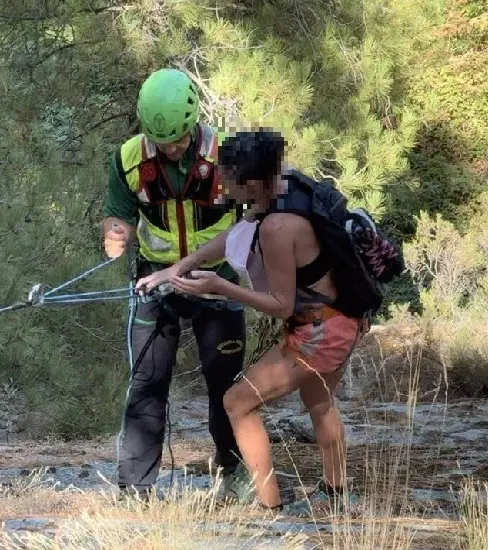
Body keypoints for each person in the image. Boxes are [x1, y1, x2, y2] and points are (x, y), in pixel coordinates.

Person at [136, 129, 367, 514]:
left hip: (320, 332)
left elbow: (279, 304)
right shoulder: (285, 183)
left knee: (237, 403)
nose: (222, 185)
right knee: (320, 402)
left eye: (230, 180)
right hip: (342, 317)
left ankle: (268, 508)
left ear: (254, 183)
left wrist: (219, 286)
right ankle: (337, 496)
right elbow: (236, 234)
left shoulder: (279, 228)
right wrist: (177, 268)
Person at [101, 68, 250, 501]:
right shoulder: (129, 159)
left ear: (193, 122)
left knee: (225, 380)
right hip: (155, 280)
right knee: (148, 380)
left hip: (216, 280)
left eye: (179, 138)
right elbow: (118, 213)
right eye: (161, 140)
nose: (170, 148)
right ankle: (135, 488)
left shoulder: (227, 154)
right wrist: (115, 234)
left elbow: (251, 220)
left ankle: (233, 471)